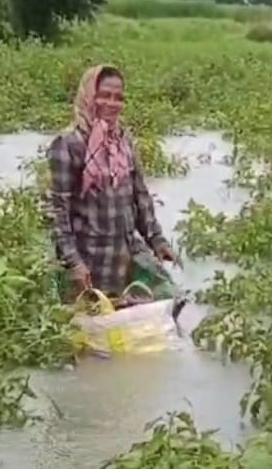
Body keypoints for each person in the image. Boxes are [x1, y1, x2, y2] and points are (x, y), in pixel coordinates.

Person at [45, 64, 180, 305]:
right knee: (93, 323)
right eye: (104, 95)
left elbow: (140, 195)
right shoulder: (68, 144)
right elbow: (57, 210)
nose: (112, 103)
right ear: (88, 96)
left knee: (164, 303)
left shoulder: (122, 140)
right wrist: (74, 262)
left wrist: (157, 239)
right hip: (90, 258)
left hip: (124, 254)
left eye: (118, 98)